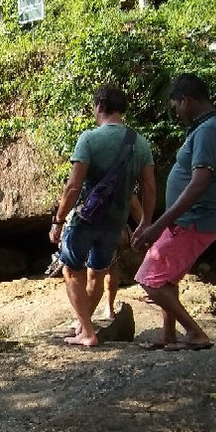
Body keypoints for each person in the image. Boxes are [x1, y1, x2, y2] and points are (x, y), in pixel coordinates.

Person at [131, 73, 216, 351]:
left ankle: (195, 333)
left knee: (149, 279)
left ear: (186, 100)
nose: (176, 113)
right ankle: (168, 335)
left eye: (176, 106)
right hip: (194, 219)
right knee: (165, 278)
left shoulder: (208, 131)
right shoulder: (214, 127)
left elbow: (199, 182)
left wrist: (157, 225)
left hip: (191, 221)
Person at [48, 84, 156, 347]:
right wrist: (145, 222)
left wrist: (58, 220)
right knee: (97, 271)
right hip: (115, 221)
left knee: (72, 270)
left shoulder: (89, 139)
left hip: (85, 218)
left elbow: (73, 187)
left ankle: (87, 330)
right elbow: (150, 187)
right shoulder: (139, 142)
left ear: (99, 106)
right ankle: (85, 323)